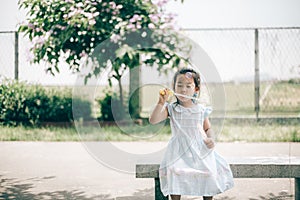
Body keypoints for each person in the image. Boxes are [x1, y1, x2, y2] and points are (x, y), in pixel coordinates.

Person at [149, 67, 234, 200]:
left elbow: (207, 129)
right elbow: (153, 120)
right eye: (180, 85)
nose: (183, 90)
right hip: (178, 151)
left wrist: (210, 138)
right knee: (174, 172)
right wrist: (161, 102)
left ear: (196, 90)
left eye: (188, 86)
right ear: (174, 88)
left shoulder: (200, 109)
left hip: (199, 149)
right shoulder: (172, 109)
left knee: (208, 172)